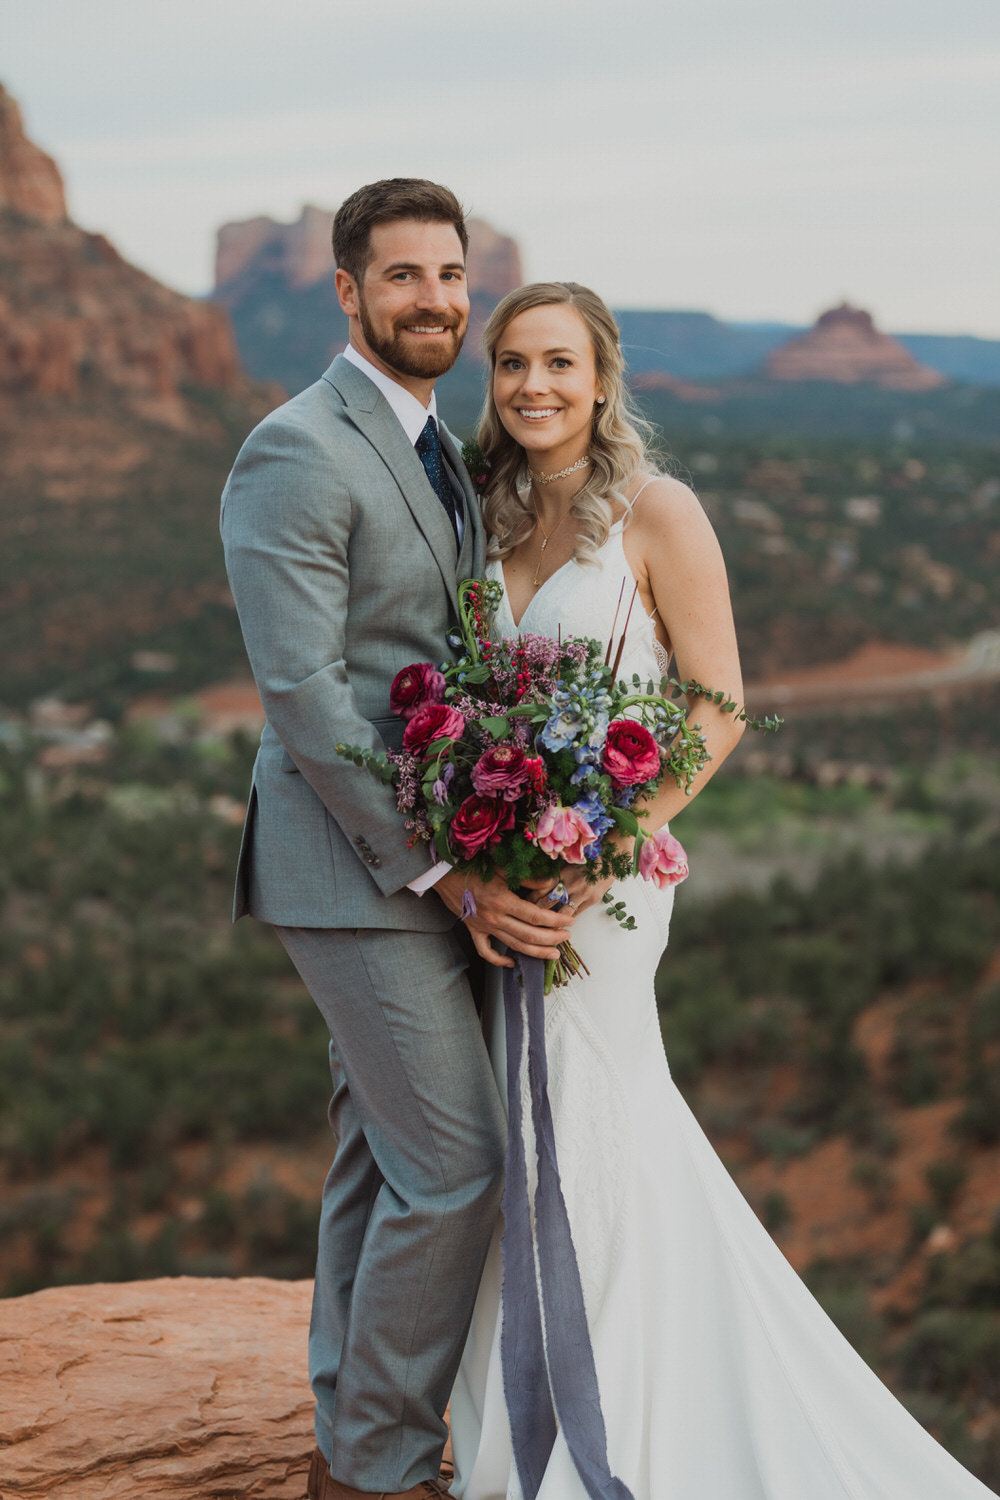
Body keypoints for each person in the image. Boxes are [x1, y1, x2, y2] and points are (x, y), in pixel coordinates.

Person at [447, 281, 997, 1499]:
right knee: (510, 1132)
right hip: (500, 885)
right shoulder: (478, 517)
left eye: (559, 362)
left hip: (607, 889)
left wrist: (605, 839)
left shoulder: (658, 511)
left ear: (601, 378)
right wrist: (478, 854)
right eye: (512, 364)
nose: (534, 385)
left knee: (590, 1116)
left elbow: (718, 705)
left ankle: (607, 1428)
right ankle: (523, 1407)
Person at [219, 183, 575, 1500]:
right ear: (346, 291)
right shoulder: (296, 450)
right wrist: (449, 868)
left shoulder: (435, 443)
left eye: (450, 275)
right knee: (457, 1164)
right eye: (403, 276)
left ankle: (343, 1434)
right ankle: (377, 1470)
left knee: (381, 1155)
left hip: (440, 852)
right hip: (352, 866)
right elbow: (306, 696)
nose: (433, 300)